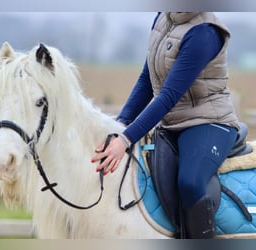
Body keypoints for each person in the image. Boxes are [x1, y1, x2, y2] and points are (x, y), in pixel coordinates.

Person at [91, 12, 240, 239]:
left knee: (190, 183)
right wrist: (118, 126)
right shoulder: (163, 18)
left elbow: (169, 94)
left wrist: (125, 139)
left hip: (210, 122)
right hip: (172, 124)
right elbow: (146, 80)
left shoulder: (205, 32)